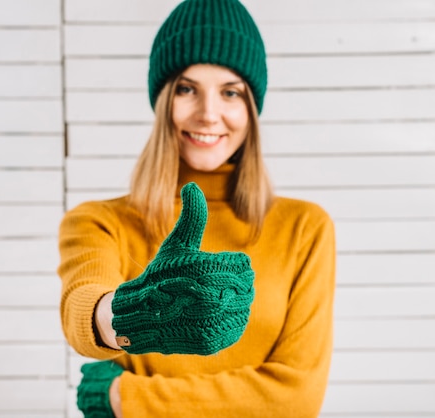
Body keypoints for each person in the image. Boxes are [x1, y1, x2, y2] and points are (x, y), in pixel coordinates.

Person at [56, 0, 336, 416]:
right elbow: (83, 309)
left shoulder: (305, 228)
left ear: (251, 108)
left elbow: (296, 399)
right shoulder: (99, 222)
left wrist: (121, 397)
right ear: (163, 100)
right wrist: (135, 312)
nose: (208, 114)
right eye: (187, 89)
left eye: (230, 92)